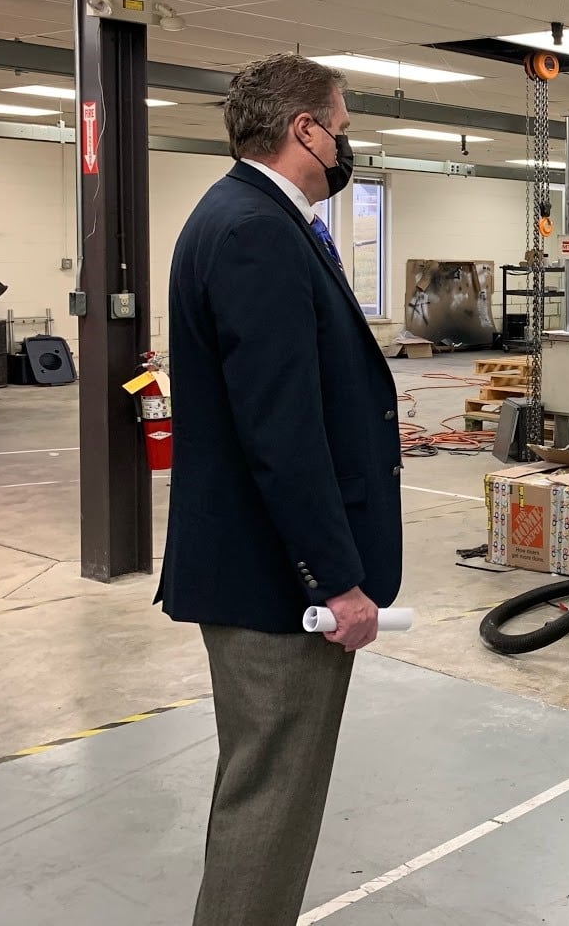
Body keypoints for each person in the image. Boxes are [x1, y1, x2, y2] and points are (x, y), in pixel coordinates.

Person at [156, 53, 405, 926]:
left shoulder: (248, 216)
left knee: (267, 790)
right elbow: (281, 431)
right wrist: (335, 579)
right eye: (341, 128)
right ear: (305, 130)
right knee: (270, 803)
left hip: (264, 574)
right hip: (276, 588)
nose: (346, 144)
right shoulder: (257, 230)